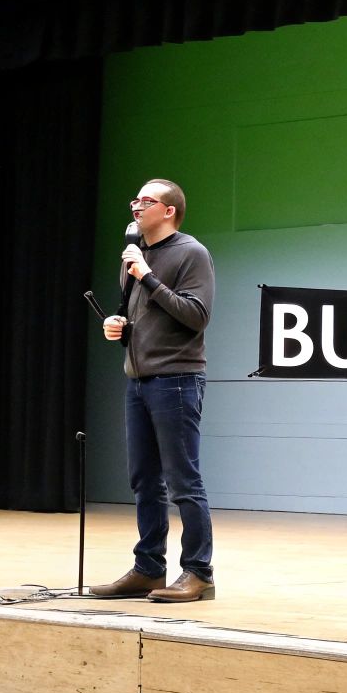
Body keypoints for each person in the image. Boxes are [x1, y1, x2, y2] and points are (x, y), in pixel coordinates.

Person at [89, 178, 218, 604]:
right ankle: (149, 568)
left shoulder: (191, 253)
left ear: (170, 211)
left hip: (177, 379)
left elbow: (196, 316)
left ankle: (198, 573)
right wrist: (117, 326)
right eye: (135, 200)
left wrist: (147, 278)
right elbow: (135, 317)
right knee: (144, 480)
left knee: (184, 481)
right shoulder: (133, 258)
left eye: (147, 201)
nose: (136, 207)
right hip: (139, 380)